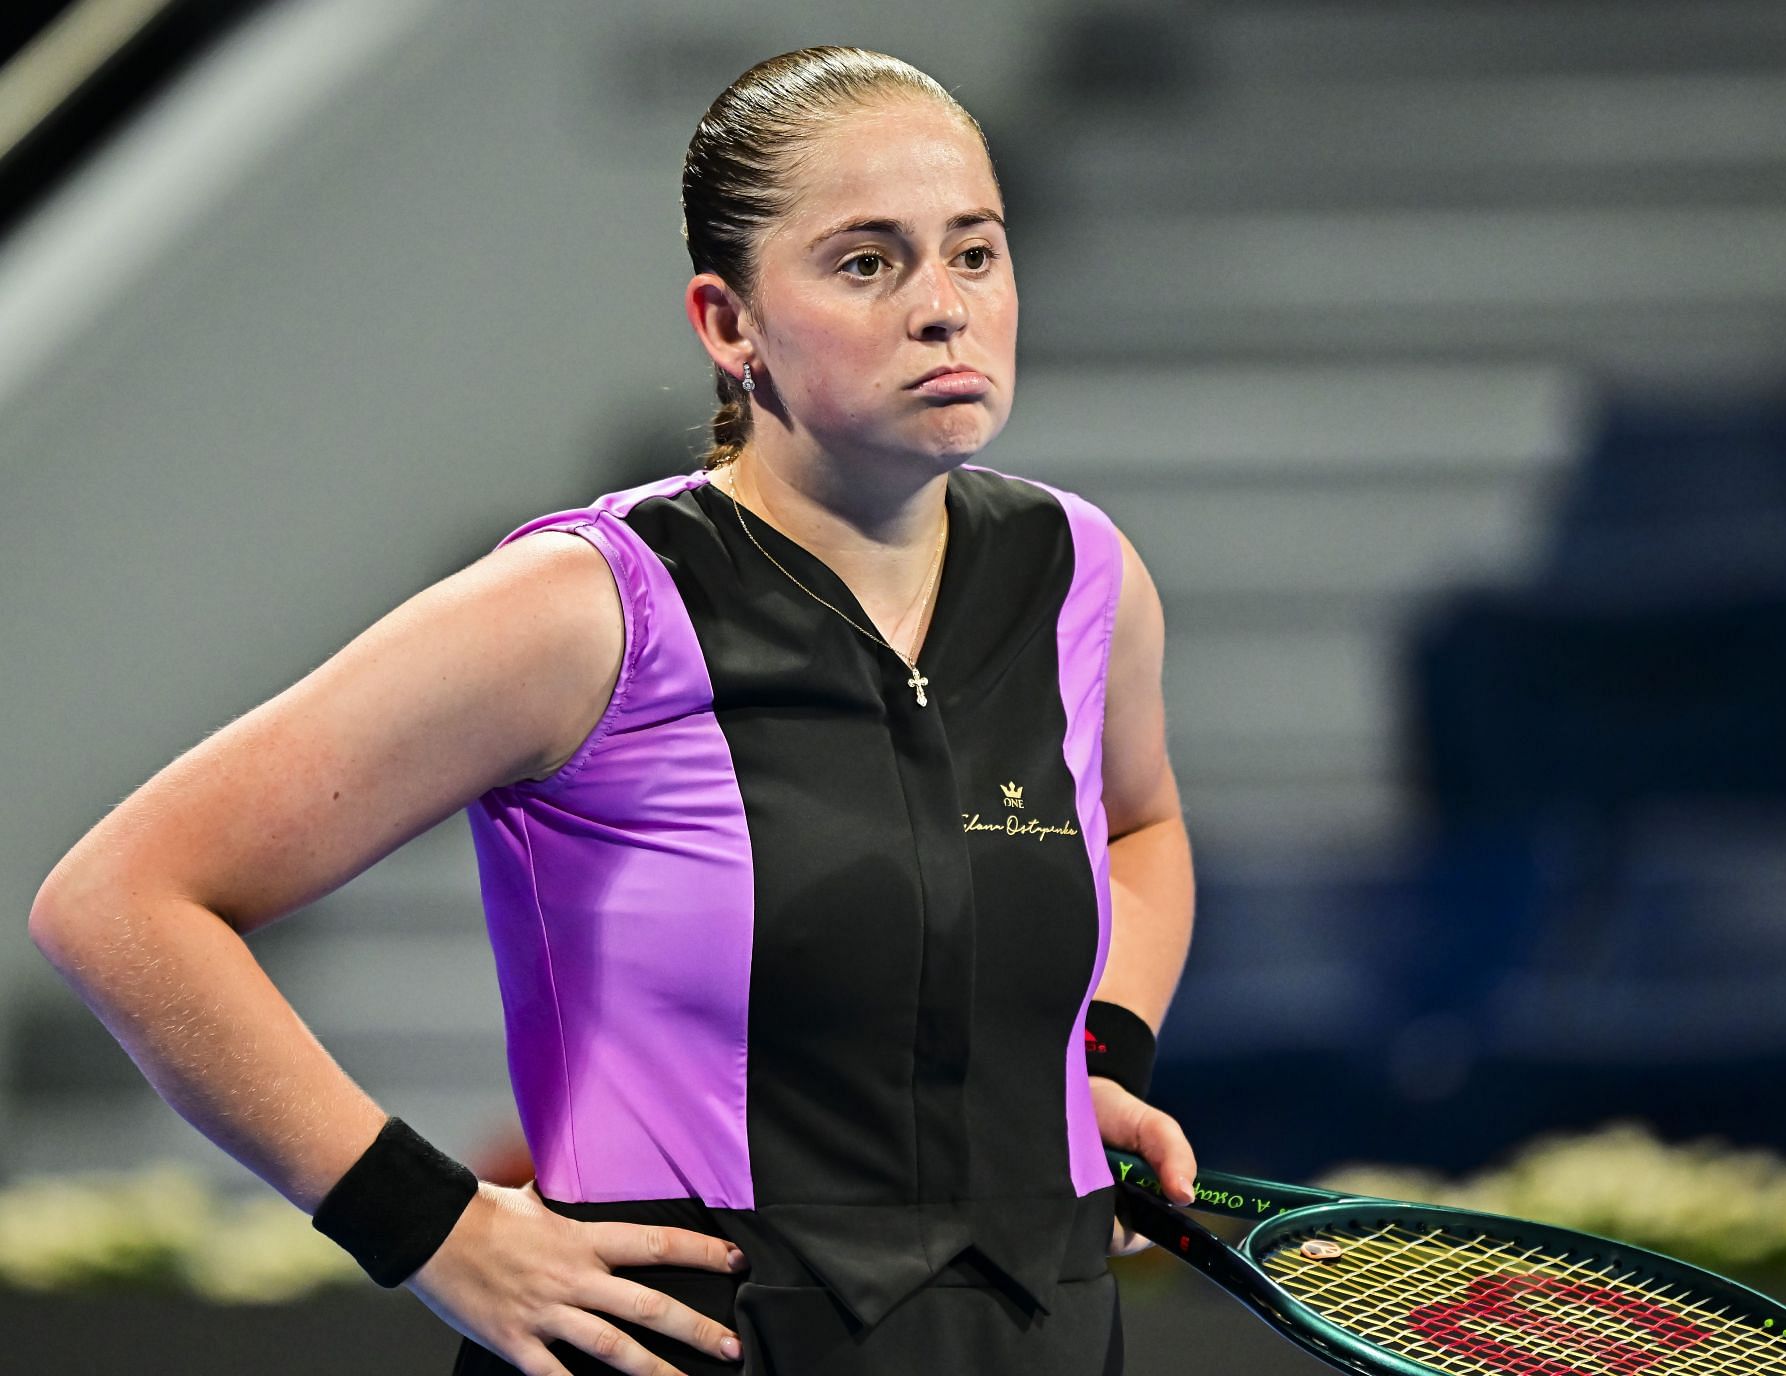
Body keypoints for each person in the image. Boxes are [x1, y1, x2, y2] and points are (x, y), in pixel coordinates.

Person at [28, 45, 1196, 1375]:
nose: (944, 308)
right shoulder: (581, 610)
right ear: (727, 321)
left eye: (974, 253)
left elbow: (1141, 823)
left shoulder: (1085, 576)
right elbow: (120, 902)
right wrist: (434, 1230)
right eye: (868, 262)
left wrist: (1090, 1054)